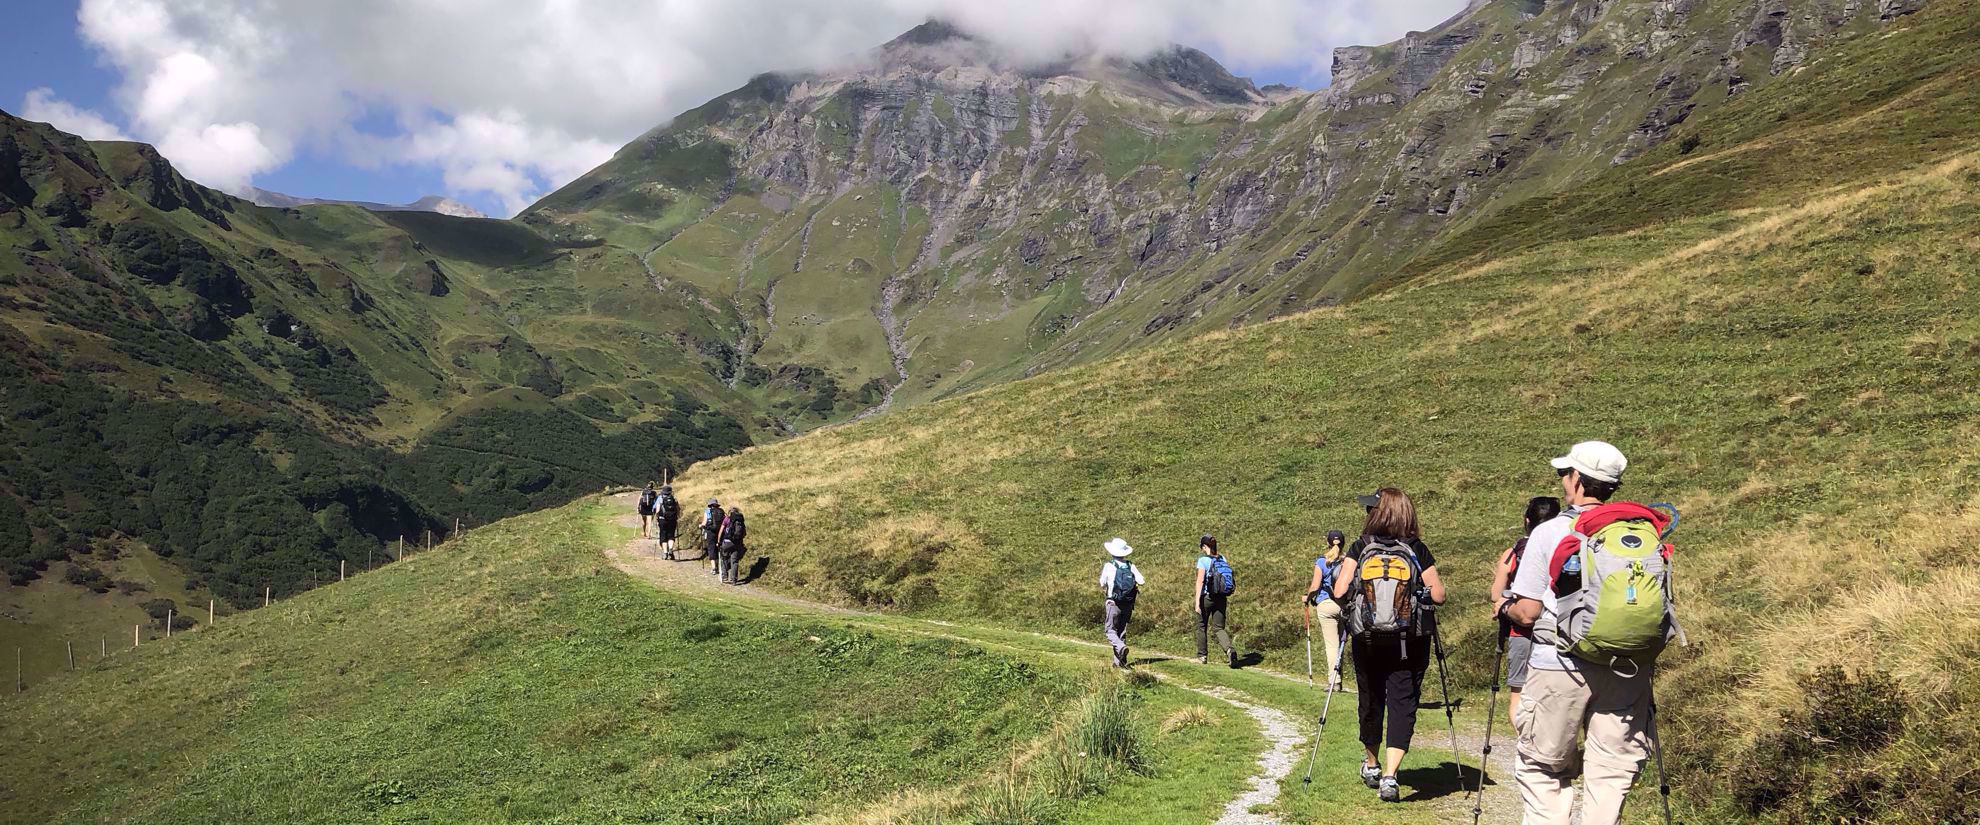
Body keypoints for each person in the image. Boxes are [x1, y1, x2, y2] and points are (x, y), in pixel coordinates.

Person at [1503, 440, 1647, 825]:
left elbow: (1529, 612)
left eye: (1565, 474)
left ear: (1578, 480)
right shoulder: (1638, 533)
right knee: (1612, 770)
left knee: (1543, 767)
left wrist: (1504, 606)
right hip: (1626, 668)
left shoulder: (1550, 532)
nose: (1564, 481)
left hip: (1559, 664)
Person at [1332, 488, 1446, 803]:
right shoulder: (1416, 549)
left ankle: (1371, 763)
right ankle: (1391, 776)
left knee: (1370, 699)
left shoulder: (1360, 547)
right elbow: (1439, 595)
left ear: (1378, 513)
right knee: (1402, 703)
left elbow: (1340, 591)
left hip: (1367, 640)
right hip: (1409, 642)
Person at [1489, 496, 1561, 728]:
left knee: (1519, 694)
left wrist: (1505, 604)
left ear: (1526, 521)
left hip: (1521, 631)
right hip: (1557, 631)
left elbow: (1496, 594)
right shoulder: (1564, 547)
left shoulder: (1513, 553)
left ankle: (1527, 744)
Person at [1305, 529, 1348, 690]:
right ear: (1343, 543)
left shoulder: (1322, 562)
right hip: (1344, 605)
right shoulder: (1347, 562)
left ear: (1328, 543)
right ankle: (1339, 678)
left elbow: (1315, 586)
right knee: (1341, 643)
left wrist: (1307, 598)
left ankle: (1334, 682)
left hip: (1326, 605)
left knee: (1332, 645)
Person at [1098, 538, 1145, 668]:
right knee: (1122, 631)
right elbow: (1141, 581)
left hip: (1113, 602)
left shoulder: (1109, 565)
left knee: (1110, 630)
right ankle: (1120, 663)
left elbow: (1102, 583)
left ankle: (1121, 647)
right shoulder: (1130, 565)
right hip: (1128, 603)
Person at [1193, 535, 1237, 668]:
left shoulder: (1203, 561)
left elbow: (1200, 581)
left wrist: (1197, 602)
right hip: (1221, 598)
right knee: (1218, 628)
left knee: (1202, 626)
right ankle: (1229, 649)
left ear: (1204, 547)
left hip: (1207, 597)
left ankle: (1202, 656)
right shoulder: (1223, 558)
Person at [716, 506, 747, 584]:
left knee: (724, 558)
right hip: (737, 543)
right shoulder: (740, 520)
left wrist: (719, 541)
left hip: (727, 542)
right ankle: (734, 579)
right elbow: (744, 533)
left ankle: (725, 576)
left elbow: (721, 531)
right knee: (735, 561)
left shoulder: (727, 519)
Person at [656, 485, 682, 560]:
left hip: (662, 519)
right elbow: (678, 509)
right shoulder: (674, 498)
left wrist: (657, 517)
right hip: (672, 519)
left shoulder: (660, 498)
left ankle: (665, 553)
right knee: (671, 535)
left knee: (663, 536)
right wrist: (677, 516)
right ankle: (670, 549)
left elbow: (657, 510)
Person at [699, 499, 723, 574]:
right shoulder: (721, 511)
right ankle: (720, 566)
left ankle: (714, 568)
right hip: (720, 531)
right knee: (719, 547)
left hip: (711, 532)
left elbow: (705, 522)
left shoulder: (708, 511)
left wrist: (701, 525)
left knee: (711, 548)